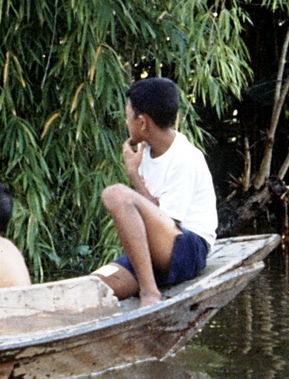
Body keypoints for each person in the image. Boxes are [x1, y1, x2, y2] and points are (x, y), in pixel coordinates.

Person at [92, 76, 217, 306]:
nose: (126, 122)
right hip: (155, 253)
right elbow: (152, 213)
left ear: (142, 122)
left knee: (116, 195)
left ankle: (150, 293)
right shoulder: (145, 153)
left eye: (128, 116)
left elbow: (167, 221)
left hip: (188, 249)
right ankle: (144, 286)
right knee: (92, 286)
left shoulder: (185, 157)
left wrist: (133, 180)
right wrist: (135, 173)